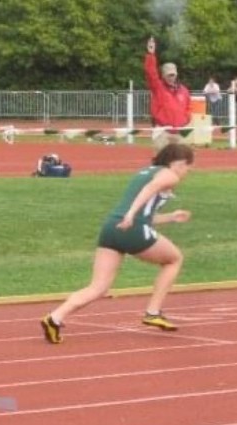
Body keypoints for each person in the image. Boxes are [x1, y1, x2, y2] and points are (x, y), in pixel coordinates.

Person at [41, 144, 195, 343]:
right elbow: (148, 192)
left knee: (98, 287)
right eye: (188, 167)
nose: (188, 172)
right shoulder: (169, 175)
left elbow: (144, 214)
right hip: (131, 226)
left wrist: (170, 217)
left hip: (112, 227)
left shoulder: (145, 172)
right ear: (179, 163)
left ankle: (54, 318)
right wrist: (130, 215)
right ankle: (152, 311)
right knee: (174, 259)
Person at [144, 37, 191, 150]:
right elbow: (151, 73)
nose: (171, 77)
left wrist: (185, 119)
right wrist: (151, 55)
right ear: (163, 75)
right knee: (162, 163)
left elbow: (188, 107)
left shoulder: (184, 91)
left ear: (176, 74)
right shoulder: (158, 87)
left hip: (178, 132)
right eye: (168, 75)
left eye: (173, 74)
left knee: (179, 163)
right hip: (162, 131)